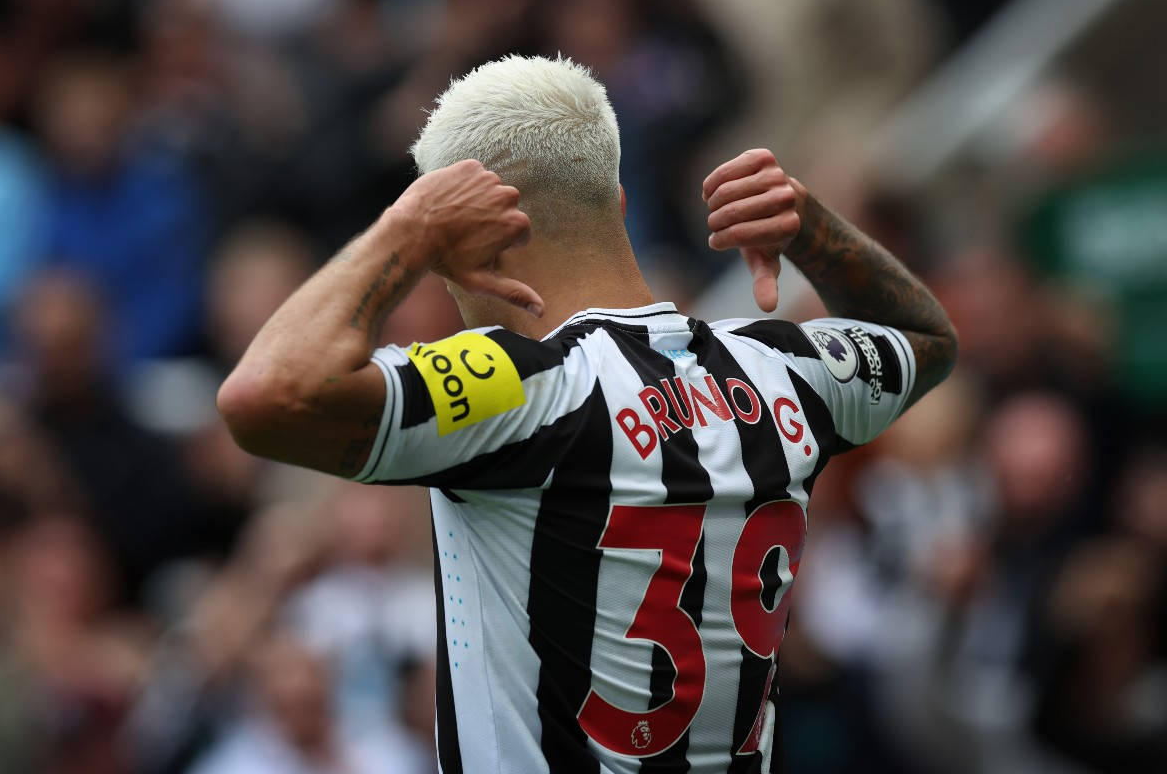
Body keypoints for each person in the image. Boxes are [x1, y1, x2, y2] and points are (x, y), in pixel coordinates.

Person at [218, 55, 956, 774]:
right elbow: (927, 341)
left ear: (481, 240)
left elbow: (264, 397)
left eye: (443, 261)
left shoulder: (524, 390)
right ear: (620, 205)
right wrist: (814, 233)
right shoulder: (781, 373)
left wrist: (405, 233)